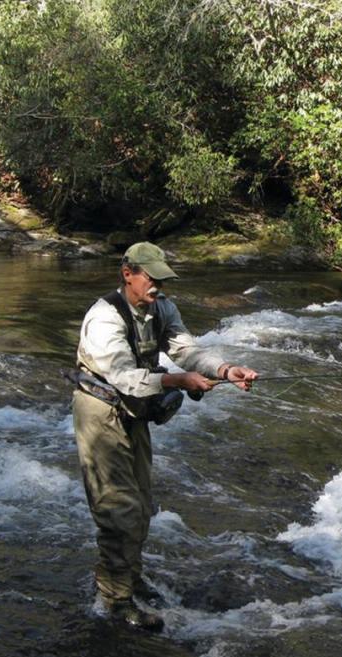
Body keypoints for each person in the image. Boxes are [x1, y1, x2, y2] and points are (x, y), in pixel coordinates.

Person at [71, 241, 257, 631]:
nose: (157, 286)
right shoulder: (104, 318)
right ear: (128, 274)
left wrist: (225, 370)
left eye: (161, 278)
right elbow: (124, 376)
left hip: (135, 411)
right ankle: (116, 602)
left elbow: (187, 351)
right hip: (101, 411)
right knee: (117, 509)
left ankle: (128, 580)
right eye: (151, 278)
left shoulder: (162, 308)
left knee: (140, 503)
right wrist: (177, 379)